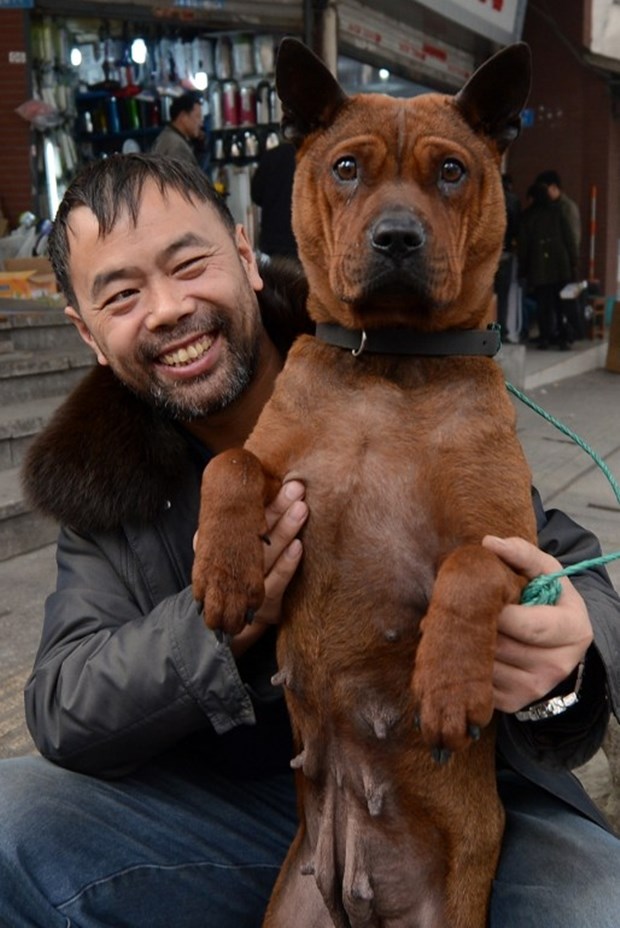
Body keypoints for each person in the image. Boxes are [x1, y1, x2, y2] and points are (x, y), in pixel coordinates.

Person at [0, 152, 619, 928]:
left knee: (600, 904)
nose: (165, 308)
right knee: (10, 814)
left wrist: (573, 647)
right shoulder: (102, 482)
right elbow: (63, 704)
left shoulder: (392, 364)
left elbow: (565, 558)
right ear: (87, 333)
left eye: (188, 264)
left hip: (454, 804)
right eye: (121, 295)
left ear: (245, 254)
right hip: (262, 822)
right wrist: (217, 631)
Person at [518, 180, 578, 350]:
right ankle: (563, 337)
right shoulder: (558, 212)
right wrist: (574, 261)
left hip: (539, 269)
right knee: (561, 303)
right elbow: (569, 238)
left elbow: (523, 246)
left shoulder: (528, 216)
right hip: (561, 266)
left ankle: (545, 336)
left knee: (544, 304)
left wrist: (523, 268)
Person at [250, 140, 298, 259]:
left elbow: (256, 195)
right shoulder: (311, 157)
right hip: (300, 240)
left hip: (272, 242)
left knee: (275, 276)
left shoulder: (270, 156)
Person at [151, 91, 205, 165]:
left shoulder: (167, 137)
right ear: (183, 117)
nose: (201, 123)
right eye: (198, 116)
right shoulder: (177, 147)